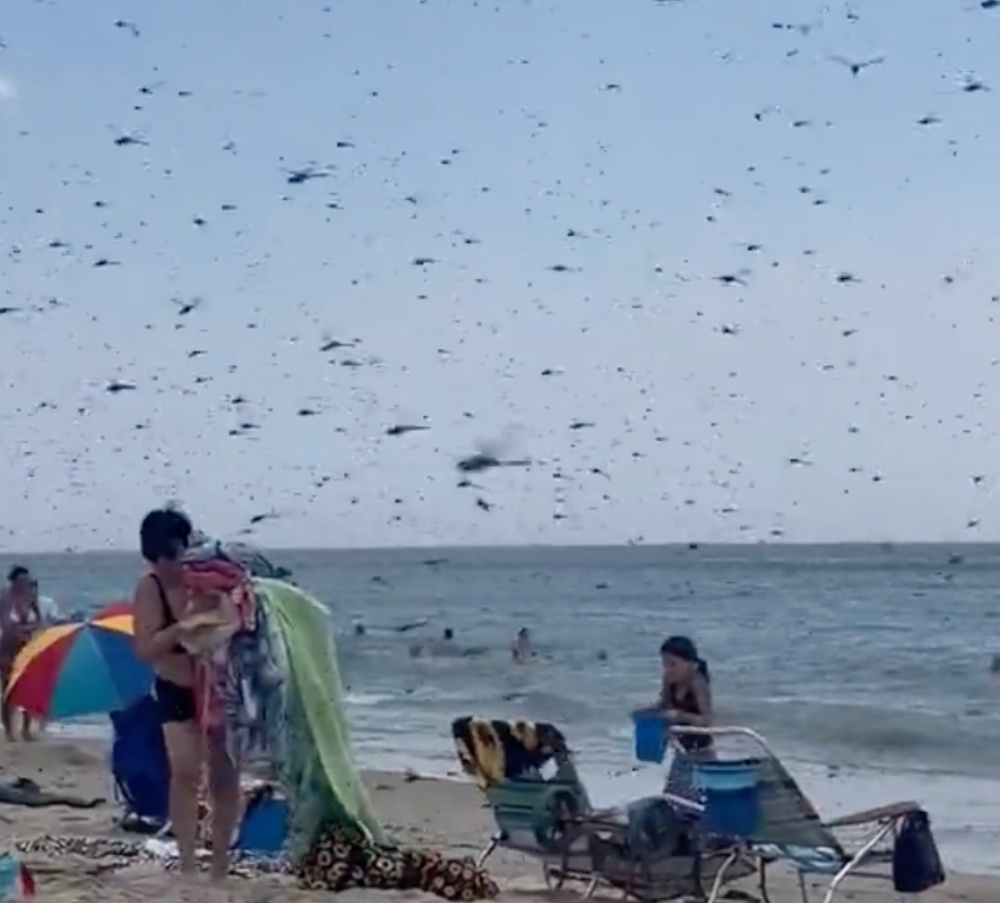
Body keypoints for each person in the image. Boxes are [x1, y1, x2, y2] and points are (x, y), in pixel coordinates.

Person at [132, 508, 240, 881]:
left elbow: (237, 620)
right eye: (161, 558)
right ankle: (189, 863)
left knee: (224, 774)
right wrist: (181, 629)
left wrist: (215, 612)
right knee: (185, 771)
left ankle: (221, 865)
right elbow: (144, 650)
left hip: (218, 687)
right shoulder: (150, 587)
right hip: (174, 687)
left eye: (175, 554)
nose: (170, 565)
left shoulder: (206, 577)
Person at [0, 566, 42, 741]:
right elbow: (5, 623)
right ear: (14, 581)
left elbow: (39, 621)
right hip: (7, 648)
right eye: (22, 581)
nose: (26, 584)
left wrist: (28, 629)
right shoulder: (4, 597)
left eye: (28, 581)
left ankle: (26, 729)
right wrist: (20, 630)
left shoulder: (31, 596)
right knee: (9, 690)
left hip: (28, 648)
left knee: (30, 688)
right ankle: (9, 731)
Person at [658, 635, 713, 753]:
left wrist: (681, 716)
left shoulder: (698, 682)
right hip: (677, 743)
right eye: (665, 664)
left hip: (701, 746)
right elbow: (664, 706)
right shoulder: (668, 678)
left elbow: (706, 721)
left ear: (690, 663)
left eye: (673, 664)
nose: (668, 669)